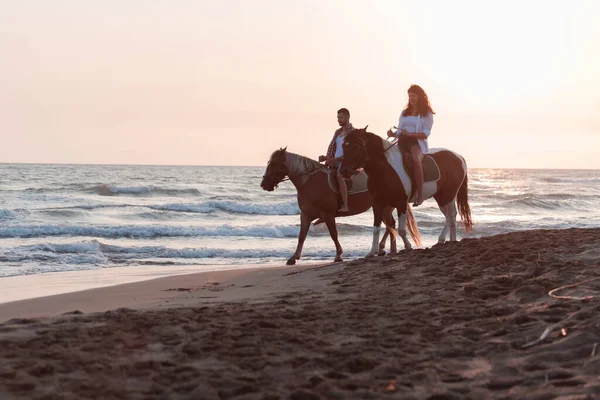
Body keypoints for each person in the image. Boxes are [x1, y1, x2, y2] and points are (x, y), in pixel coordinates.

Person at [387, 85, 435, 207]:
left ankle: (420, 193)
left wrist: (411, 134)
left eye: (413, 96)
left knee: (415, 159)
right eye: (409, 96)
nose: (411, 98)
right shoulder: (405, 112)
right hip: (402, 141)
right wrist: (393, 134)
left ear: (420, 96)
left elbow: (425, 133)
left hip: (417, 142)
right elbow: (400, 130)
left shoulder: (427, 113)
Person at [319, 108, 354, 213]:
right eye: (338, 117)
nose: (338, 120)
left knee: (339, 176)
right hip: (334, 161)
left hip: (347, 163)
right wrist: (326, 158)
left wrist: (336, 160)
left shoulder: (353, 133)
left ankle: (345, 205)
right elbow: (334, 149)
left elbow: (350, 153)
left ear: (347, 117)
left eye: (341, 117)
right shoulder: (338, 132)